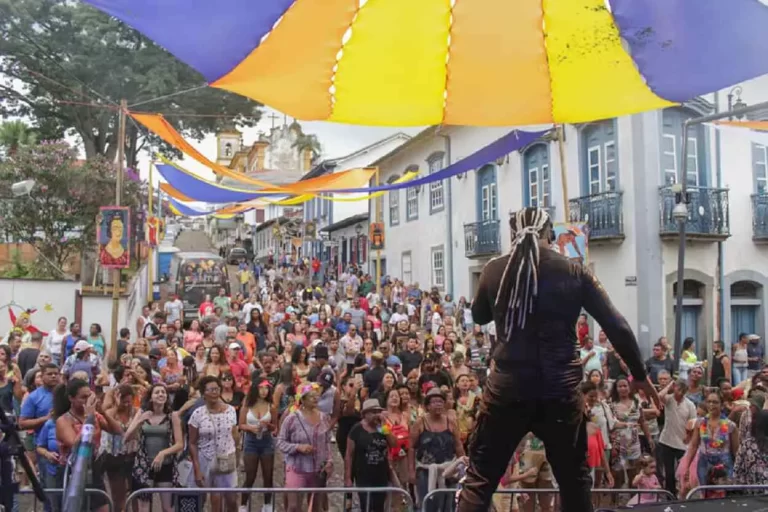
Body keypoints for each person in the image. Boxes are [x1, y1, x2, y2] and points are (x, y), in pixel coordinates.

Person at [457, 207, 658, 512]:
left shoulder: (494, 270)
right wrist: (639, 374)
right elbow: (616, 324)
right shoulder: (574, 270)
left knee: (481, 476)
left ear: (513, 234)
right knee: (573, 480)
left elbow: (480, 314)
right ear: (549, 234)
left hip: (507, 389)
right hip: (559, 390)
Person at [345, 398, 397, 512]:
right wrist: (348, 477)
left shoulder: (382, 428)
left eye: (378, 412)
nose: (376, 415)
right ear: (365, 414)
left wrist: (385, 427)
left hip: (381, 474)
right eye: (373, 412)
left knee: (379, 506)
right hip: (363, 474)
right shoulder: (357, 429)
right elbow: (349, 454)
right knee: (366, 505)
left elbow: (394, 444)